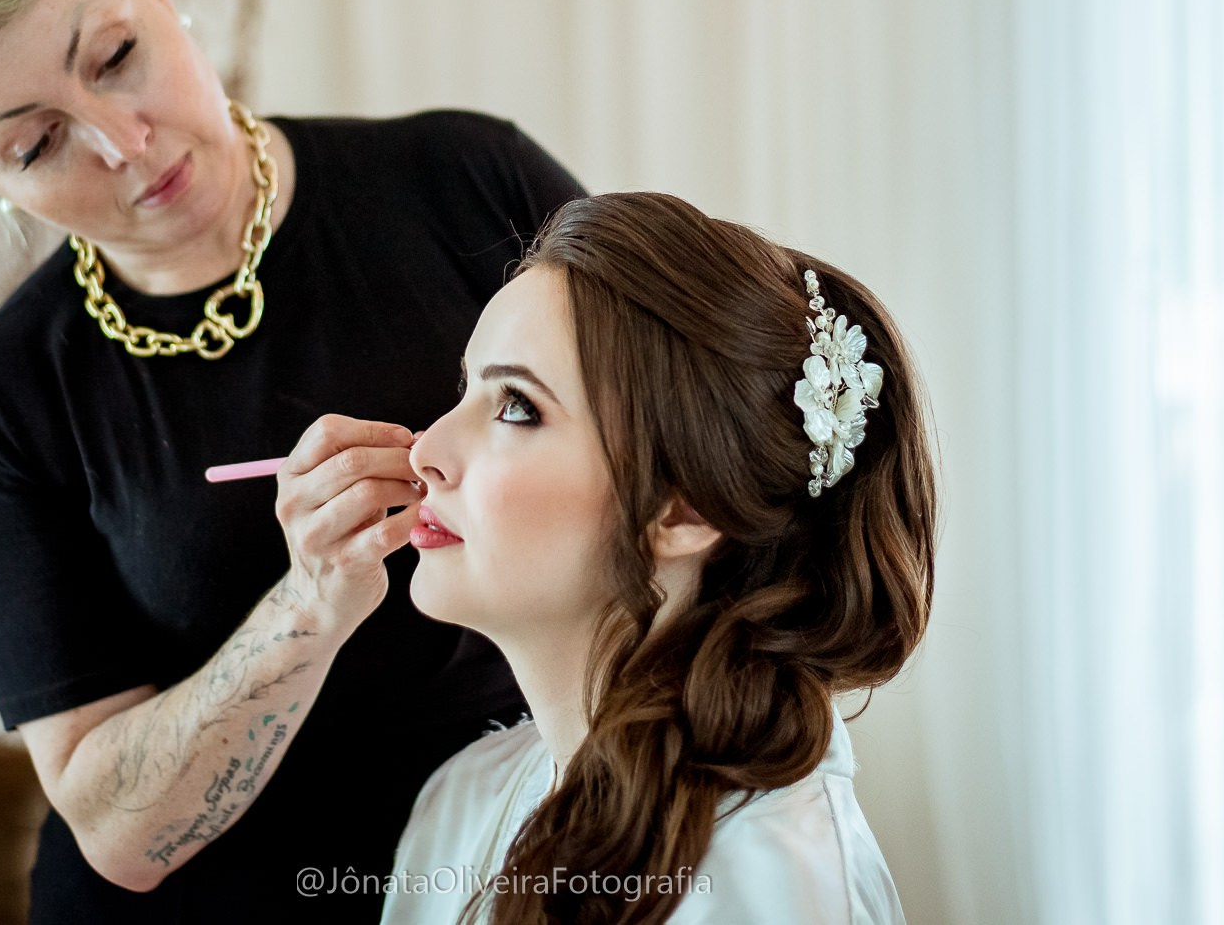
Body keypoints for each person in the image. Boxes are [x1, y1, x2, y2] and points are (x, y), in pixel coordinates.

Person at [0, 0, 585, 924]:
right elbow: (116, 830)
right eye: (36, 143)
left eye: (118, 56)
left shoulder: (466, 183)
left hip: (518, 861)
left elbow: (672, 456)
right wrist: (307, 605)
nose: (120, 142)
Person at [386, 191, 937, 925]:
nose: (426, 451)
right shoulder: (457, 806)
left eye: (516, 404)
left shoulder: (773, 883)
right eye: (466, 389)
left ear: (682, 508)